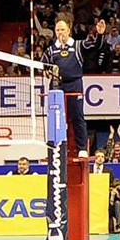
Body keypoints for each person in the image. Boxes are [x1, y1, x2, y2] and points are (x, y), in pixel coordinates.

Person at [45, 18, 88, 157]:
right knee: (55, 117)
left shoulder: (77, 45)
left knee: (77, 116)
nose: (60, 32)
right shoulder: (51, 50)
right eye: (57, 30)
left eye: (62, 29)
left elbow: (96, 46)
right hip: (57, 85)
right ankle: (54, 147)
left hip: (75, 84)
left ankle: (82, 148)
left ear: (68, 30)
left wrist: (99, 35)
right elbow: (43, 65)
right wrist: (46, 70)